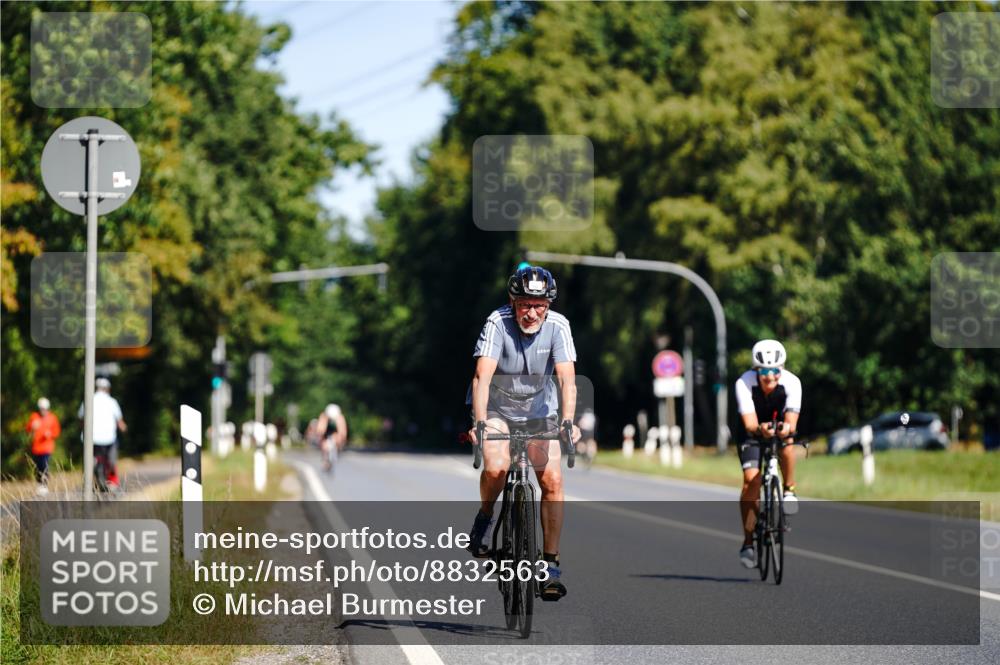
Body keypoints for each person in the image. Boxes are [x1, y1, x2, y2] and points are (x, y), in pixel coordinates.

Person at [465, 265, 581, 601]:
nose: (532, 313)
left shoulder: (558, 326)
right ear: (513, 302)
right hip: (498, 410)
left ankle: (550, 565)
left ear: (549, 304)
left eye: (539, 305)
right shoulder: (497, 322)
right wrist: (480, 422)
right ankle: (486, 517)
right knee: (497, 467)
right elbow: (481, 378)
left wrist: (568, 422)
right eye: (524, 305)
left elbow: (567, 381)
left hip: (539, 413)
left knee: (552, 480)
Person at [734, 339, 802, 569]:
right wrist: (760, 429)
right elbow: (750, 423)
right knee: (750, 483)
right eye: (764, 371)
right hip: (751, 433)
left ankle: (789, 489)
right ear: (756, 370)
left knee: (787, 443)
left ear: (781, 370)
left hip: (778, 429)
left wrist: (785, 428)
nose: (770, 377)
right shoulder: (744, 383)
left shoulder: (793, 383)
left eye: (775, 371)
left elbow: (791, 421)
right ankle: (748, 540)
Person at [78, 377, 127, 489]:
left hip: (91, 438)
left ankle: (91, 472)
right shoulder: (112, 402)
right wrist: (124, 429)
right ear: (107, 389)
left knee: (90, 458)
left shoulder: (88, 400)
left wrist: (82, 429)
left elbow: (81, 419)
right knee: (111, 459)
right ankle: (112, 481)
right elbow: (120, 422)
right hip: (108, 439)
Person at [26, 397, 61, 495]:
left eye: (45, 409)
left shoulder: (52, 418)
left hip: (47, 447)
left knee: (44, 465)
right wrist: (32, 426)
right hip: (36, 448)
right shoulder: (34, 417)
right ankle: (39, 484)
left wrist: (50, 434)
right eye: (41, 409)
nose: (43, 411)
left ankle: (44, 484)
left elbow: (57, 432)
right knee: (37, 467)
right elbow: (27, 429)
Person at [316, 403, 347, 472]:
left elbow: (343, 431)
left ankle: (337, 451)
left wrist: (341, 439)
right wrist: (321, 438)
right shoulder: (324, 416)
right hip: (326, 432)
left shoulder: (340, 418)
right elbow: (320, 429)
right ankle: (325, 457)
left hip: (335, 432)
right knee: (324, 445)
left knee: (338, 439)